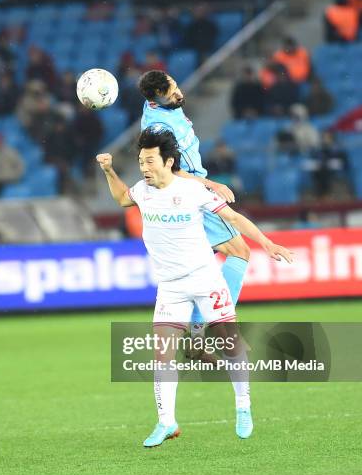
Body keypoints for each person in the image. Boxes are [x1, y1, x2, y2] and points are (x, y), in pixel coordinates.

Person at [96, 127, 293, 447]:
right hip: (170, 287)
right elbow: (120, 198)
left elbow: (234, 218)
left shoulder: (192, 191)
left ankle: (243, 407)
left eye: (149, 161)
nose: (144, 168)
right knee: (162, 355)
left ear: (169, 161)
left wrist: (267, 243)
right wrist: (108, 170)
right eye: (140, 162)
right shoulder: (142, 191)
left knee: (230, 346)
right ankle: (166, 422)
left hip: (205, 279)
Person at [138, 70, 251, 334]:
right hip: (190, 191)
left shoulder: (167, 104)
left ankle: (195, 335)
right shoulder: (157, 129)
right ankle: (206, 327)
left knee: (202, 265)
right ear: (155, 99)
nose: (178, 92)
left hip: (191, 188)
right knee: (240, 252)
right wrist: (212, 185)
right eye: (171, 91)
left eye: (176, 85)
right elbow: (172, 171)